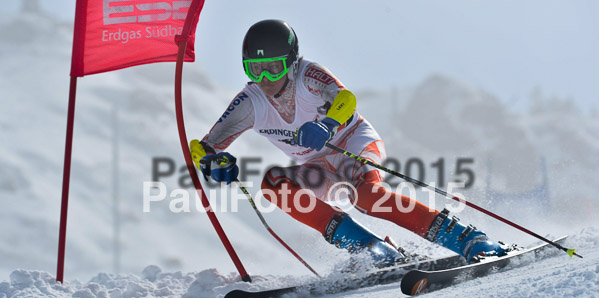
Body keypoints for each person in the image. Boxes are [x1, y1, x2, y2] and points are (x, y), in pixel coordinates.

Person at [190, 19, 506, 266]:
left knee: (368, 197)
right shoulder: (250, 101)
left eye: (275, 67)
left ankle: (469, 238)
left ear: (292, 61)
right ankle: (371, 250)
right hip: (317, 166)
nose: (266, 79)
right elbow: (205, 146)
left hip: (352, 143)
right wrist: (213, 163)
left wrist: (327, 125)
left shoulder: (308, 75)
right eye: (255, 69)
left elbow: (345, 99)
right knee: (273, 185)